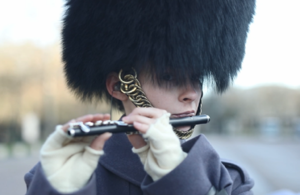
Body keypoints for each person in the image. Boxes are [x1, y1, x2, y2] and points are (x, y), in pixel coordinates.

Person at [24, 0, 256, 194]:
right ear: (118, 86)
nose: (192, 93)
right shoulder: (61, 173)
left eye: (197, 78)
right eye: (168, 76)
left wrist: (184, 181)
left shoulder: (230, 182)